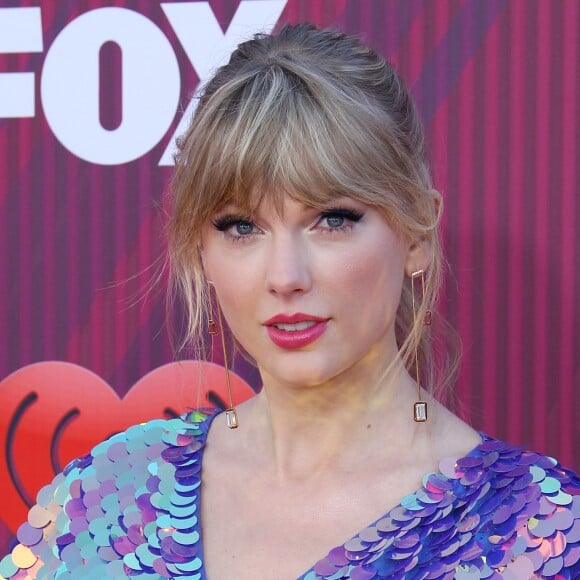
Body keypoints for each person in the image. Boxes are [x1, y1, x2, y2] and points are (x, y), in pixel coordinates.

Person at [1, 22, 578, 580]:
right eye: (241, 227)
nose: (285, 276)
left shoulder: (537, 533)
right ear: (201, 248)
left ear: (418, 235)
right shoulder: (107, 498)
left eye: (332, 219)